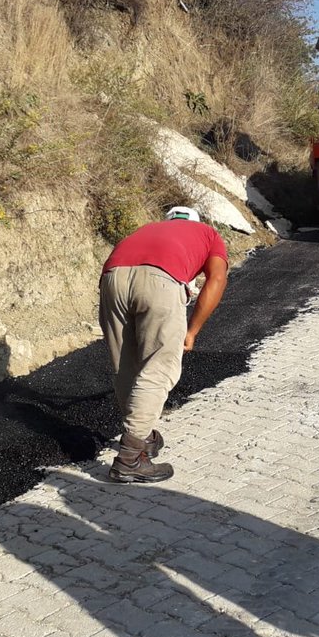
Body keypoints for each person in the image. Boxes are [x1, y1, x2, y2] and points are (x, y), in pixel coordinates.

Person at [99, 207, 228, 483]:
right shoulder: (208, 233)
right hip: (160, 280)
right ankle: (129, 457)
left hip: (112, 278)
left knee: (126, 365)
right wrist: (192, 330)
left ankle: (142, 437)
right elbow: (216, 278)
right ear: (196, 222)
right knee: (159, 366)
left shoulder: (148, 228)